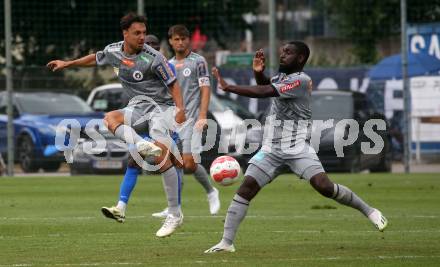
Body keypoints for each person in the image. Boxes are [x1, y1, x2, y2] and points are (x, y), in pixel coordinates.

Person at [204, 41, 388, 253]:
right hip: (271, 148)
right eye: (282, 52)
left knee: (325, 187)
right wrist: (258, 73)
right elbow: (268, 87)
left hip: (297, 147)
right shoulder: (282, 78)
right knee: (246, 189)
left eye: (288, 53)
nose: (282, 55)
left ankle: (369, 210)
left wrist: (229, 87)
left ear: (300, 58)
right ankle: (226, 243)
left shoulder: (301, 80)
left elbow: (264, 92)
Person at [47, 13, 186, 238]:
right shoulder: (113, 51)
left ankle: (175, 214)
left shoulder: (155, 58)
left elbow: (174, 84)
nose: (142, 37)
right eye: (137, 33)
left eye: (144, 32)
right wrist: (68, 63)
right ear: (125, 34)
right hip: (138, 108)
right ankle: (141, 145)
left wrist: (180, 110)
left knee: (162, 158)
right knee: (110, 117)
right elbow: (95, 58)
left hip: (161, 109)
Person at [151, 25, 220, 218]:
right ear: (171, 41)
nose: (180, 42)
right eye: (176, 39)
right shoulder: (167, 64)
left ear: (188, 40)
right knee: (173, 162)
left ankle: (211, 191)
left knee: (189, 164)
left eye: (183, 39)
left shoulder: (198, 61)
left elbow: (205, 89)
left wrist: (202, 115)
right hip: (173, 120)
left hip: (192, 119)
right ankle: (174, 207)